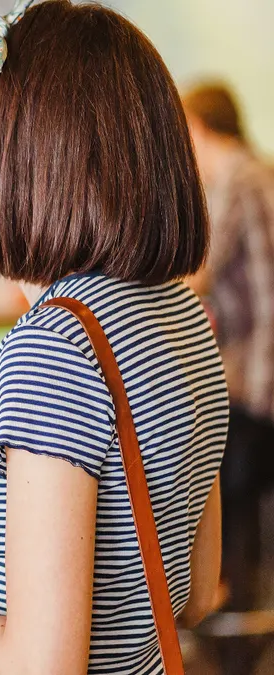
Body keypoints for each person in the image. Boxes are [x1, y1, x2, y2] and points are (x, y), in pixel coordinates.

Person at [0, 2, 226, 673]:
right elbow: (190, 593)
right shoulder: (178, 310)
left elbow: (41, 665)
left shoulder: (53, 348)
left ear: (17, 152)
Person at [184, 82, 274, 616]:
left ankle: (227, 614)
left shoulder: (238, 181)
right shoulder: (261, 171)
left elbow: (195, 270)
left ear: (197, 128)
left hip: (257, 387)